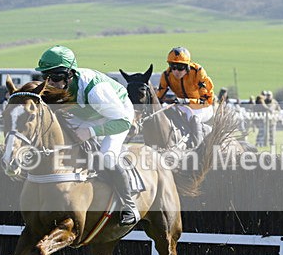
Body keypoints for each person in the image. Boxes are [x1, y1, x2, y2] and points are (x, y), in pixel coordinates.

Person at [35, 45, 139, 226]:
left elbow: (122, 122)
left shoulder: (96, 90)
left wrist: (91, 131)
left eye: (56, 77)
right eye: (46, 76)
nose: (50, 83)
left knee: (107, 156)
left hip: (118, 114)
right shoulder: (57, 85)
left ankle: (130, 206)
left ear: (70, 75)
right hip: (88, 113)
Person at [156, 47, 215, 149]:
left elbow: (207, 101)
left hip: (202, 108)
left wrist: (186, 101)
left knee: (193, 118)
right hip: (182, 105)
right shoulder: (166, 75)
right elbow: (158, 97)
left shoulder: (198, 72)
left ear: (187, 66)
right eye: (173, 67)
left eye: (180, 68)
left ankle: (196, 149)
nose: (176, 71)